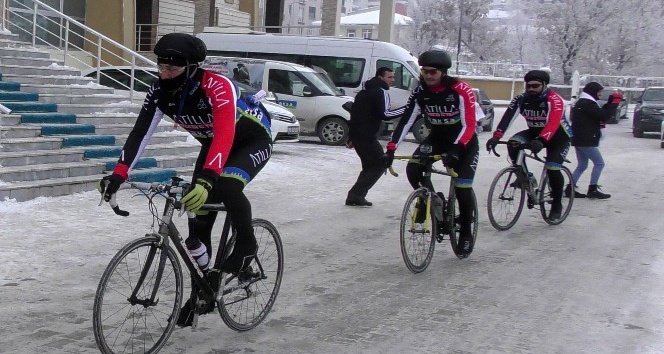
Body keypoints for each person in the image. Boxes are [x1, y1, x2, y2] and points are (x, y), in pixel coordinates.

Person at [97, 33, 273, 326]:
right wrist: (118, 174)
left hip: (250, 140)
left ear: (191, 67)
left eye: (172, 69)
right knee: (198, 224)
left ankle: (247, 244)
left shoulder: (217, 86)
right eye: (160, 67)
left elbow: (226, 134)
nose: (164, 74)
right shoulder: (158, 90)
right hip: (213, 144)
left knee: (226, 185)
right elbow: (140, 133)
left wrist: (207, 180)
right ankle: (201, 293)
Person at [383, 49, 479, 257]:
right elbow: (407, 121)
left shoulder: (460, 90)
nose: (428, 75)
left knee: (462, 186)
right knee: (414, 169)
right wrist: (391, 149)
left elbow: (470, 124)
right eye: (424, 71)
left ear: (443, 72)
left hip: (464, 141)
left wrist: (457, 148)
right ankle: (432, 200)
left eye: (433, 72)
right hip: (437, 138)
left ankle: (465, 233)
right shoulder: (420, 92)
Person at [486, 69, 571, 220]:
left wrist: (542, 140)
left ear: (544, 85)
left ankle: (557, 204)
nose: (531, 89)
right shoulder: (521, 99)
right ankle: (526, 176)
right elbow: (507, 118)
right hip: (534, 132)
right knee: (513, 143)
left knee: (553, 167)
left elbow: (553, 123)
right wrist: (496, 136)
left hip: (559, 136)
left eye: (535, 86)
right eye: (528, 86)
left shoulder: (555, 100)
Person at [345, 67, 405, 206]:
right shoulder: (380, 92)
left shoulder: (362, 93)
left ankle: (356, 196)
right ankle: (355, 195)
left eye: (393, 77)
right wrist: (408, 109)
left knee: (369, 166)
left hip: (359, 136)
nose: (393, 80)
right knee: (380, 164)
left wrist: (351, 136)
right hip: (367, 137)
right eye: (389, 77)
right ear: (380, 77)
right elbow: (385, 114)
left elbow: (354, 115)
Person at [567, 81, 616, 199]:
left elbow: (598, 114)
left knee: (582, 165)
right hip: (586, 139)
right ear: (593, 92)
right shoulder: (587, 103)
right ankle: (592, 189)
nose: (600, 94)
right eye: (599, 92)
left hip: (579, 138)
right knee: (599, 163)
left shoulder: (583, 102)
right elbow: (603, 116)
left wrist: (609, 104)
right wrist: (613, 104)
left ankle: (570, 189)